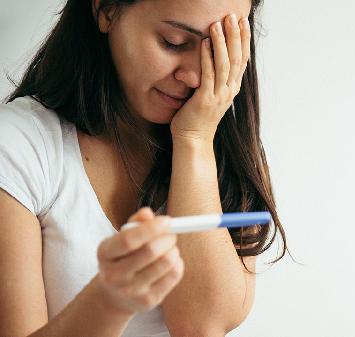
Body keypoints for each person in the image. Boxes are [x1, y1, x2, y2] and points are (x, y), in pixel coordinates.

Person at [0, 0, 288, 336]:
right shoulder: (20, 145)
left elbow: (200, 326)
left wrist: (194, 139)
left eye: (220, 49)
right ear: (106, 9)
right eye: (174, 43)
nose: (194, 75)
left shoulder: (232, 162)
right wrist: (110, 301)